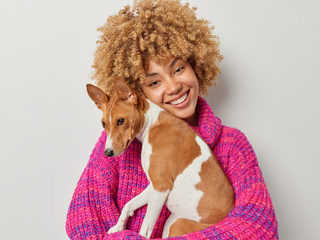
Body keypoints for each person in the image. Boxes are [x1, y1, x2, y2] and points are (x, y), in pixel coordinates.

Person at [66, 0, 278, 239]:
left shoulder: (231, 146)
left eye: (178, 69)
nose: (173, 86)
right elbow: (83, 221)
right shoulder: (117, 143)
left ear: (196, 65)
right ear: (134, 94)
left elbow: (260, 229)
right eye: (154, 82)